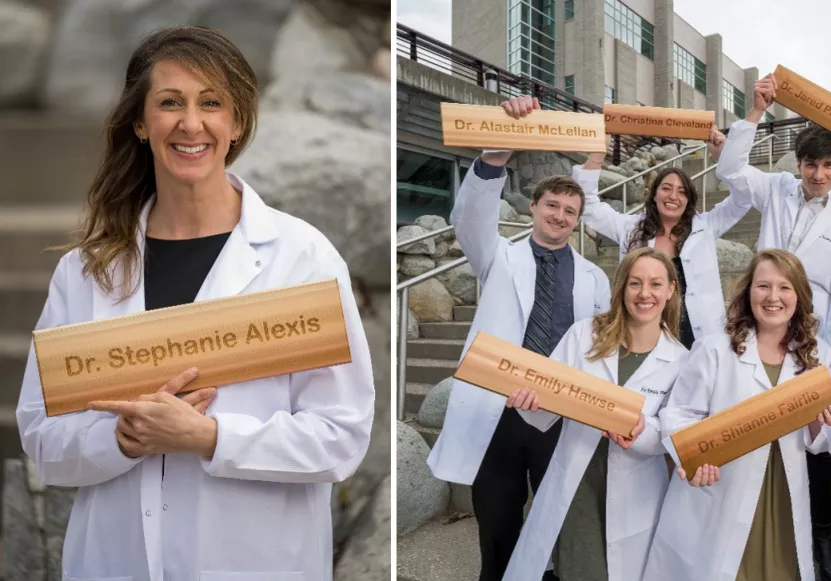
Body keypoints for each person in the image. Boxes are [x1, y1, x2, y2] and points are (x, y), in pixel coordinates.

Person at [14, 26, 375, 581]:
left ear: (236, 124)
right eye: (169, 103)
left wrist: (209, 438)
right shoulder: (86, 272)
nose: (191, 123)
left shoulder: (301, 258)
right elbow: (41, 438)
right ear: (140, 122)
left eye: (212, 103)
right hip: (117, 562)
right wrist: (120, 438)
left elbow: (340, 436)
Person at [426, 95, 612, 581]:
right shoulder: (496, 257)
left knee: (555, 526)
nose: (560, 216)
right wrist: (496, 155)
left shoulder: (595, 279)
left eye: (570, 210)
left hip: (559, 417)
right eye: (552, 205)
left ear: (578, 218)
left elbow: (601, 350)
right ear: (533, 206)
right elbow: (469, 217)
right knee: (499, 524)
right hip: (502, 414)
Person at [716, 73, 831, 580]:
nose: (819, 175)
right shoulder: (777, 189)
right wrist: (754, 112)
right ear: (798, 165)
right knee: (751, 419)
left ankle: (821, 536)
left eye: (829, 166)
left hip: (812, 337)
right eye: (810, 165)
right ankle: (748, 528)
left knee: (815, 436)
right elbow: (731, 169)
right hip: (758, 321)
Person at [643, 249, 831, 581]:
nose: (773, 297)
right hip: (722, 486)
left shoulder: (817, 353)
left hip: (782, 489)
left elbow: (819, 443)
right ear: (748, 291)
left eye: (785, 287)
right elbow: (679, 414)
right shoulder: (715, 349)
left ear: (799, 295)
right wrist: (695, 458)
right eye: (763, 286)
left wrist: (818, 421)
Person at [502, 247, 689, 581]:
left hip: (638, 489)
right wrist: (529, 401)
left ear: (671, 290)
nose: (645, 294)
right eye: (635, 283)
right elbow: (549, 399)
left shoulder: (681, 360)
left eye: (655, 284)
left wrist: (641, 430)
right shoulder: (583, 335)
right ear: (622, 288)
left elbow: (673, 433)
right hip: (579, 482)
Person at [579, 128, 750, 348]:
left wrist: (725, 158)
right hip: (645, 337)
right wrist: (597, 154)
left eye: (682, 192)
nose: (673, 196)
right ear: (654, 194)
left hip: (700, 338)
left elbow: (743, 199)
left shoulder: (705, 226)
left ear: (689, 199)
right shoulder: (630, 228)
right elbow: (589, 207)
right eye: (666, 188)